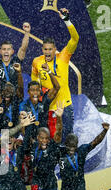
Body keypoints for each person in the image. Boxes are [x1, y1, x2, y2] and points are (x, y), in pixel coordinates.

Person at [31, 8, 79, 142]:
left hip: (65, 105)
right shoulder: (37, 61)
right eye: (45, 49)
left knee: (68, 136)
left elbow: (75, 39)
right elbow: (34, 78)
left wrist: (67, 21)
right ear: (42, 49)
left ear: (55, 49)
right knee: (48, 139)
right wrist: (38, 91)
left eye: (50, 49)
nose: (47, 52)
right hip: (47, 107)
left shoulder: (63, 57)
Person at [0, 22, 31, 90]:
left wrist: (27, 32)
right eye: (4, 49)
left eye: (8, 49)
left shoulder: (16, 61)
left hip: (14, 96)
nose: (6, 51)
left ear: (12, 51)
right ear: (0, 51)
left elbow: (23, 48)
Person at [19, 63, 60, 140]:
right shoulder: (23, 105)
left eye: (37, 90)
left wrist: (49, 72)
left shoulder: (44, 102)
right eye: (32, 90)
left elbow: (57, 87)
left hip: (44, 139)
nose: (35, 93)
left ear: (40, 91)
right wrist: (29, 140)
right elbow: (22, 126)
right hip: (30, 139)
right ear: (28, 92)